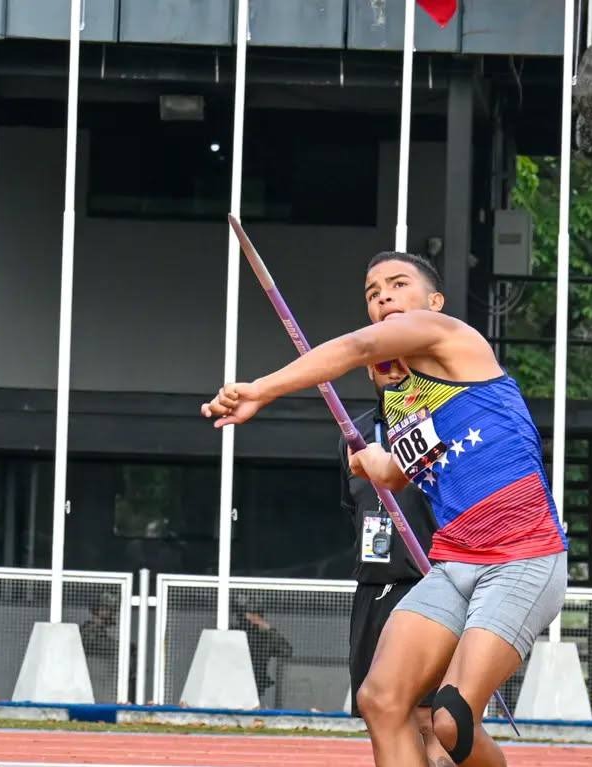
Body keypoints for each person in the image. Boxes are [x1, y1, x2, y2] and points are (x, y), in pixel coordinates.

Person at [202, 251, 567, 767]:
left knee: (451, 718)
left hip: (522, 560)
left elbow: (357, 346)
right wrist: (373, 462)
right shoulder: (403, 401)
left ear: (433, 302)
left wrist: (260, 390)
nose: (383, 298)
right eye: (373, 293)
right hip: (457, 563)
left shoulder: (453, 339)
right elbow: (400, 474)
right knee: (382, 700)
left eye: (398, 285)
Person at [341, 359, 448, 764]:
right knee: (382, 712)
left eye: (404, 360)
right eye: (383, 362)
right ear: (369, 370)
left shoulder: (440, 423)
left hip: (433, 584)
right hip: (375, 585)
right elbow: (352, 507)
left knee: (430, 718)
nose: (393, 369)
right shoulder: (353, 434)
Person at [230, 593, 294, 700]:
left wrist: (269, 629)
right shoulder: (234, 633)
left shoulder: (265, 637)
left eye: (257, 614)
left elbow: (286, 651)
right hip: (233, 686)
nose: (254, 617)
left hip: (256, 687)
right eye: (250, 613)